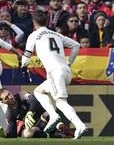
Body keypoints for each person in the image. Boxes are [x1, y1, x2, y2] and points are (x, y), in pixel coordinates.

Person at [21, 11, 87, 140]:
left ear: (34, 23)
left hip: (54, 72)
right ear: (46, 21)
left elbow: (25, 60)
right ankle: (52, 115)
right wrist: (69, 62)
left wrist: (23, 64)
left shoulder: (34, 35)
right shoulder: (56, 34)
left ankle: (79, 125)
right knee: (39, 91)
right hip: (66, 71)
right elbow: (76, 45)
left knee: (61, 102)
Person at [0, 88, 75, 138]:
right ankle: (55, 136)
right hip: (37, 127)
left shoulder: (21, 95)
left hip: (45, 119)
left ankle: (62, 128)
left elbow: (34, 100)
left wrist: (30, 112)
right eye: (6, 98)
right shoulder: (9, 113)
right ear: (3, 102)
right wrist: (5, 134)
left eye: (9, 94)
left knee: (46, 114)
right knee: (26, 133)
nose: (10, 97)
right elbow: (13, 133)